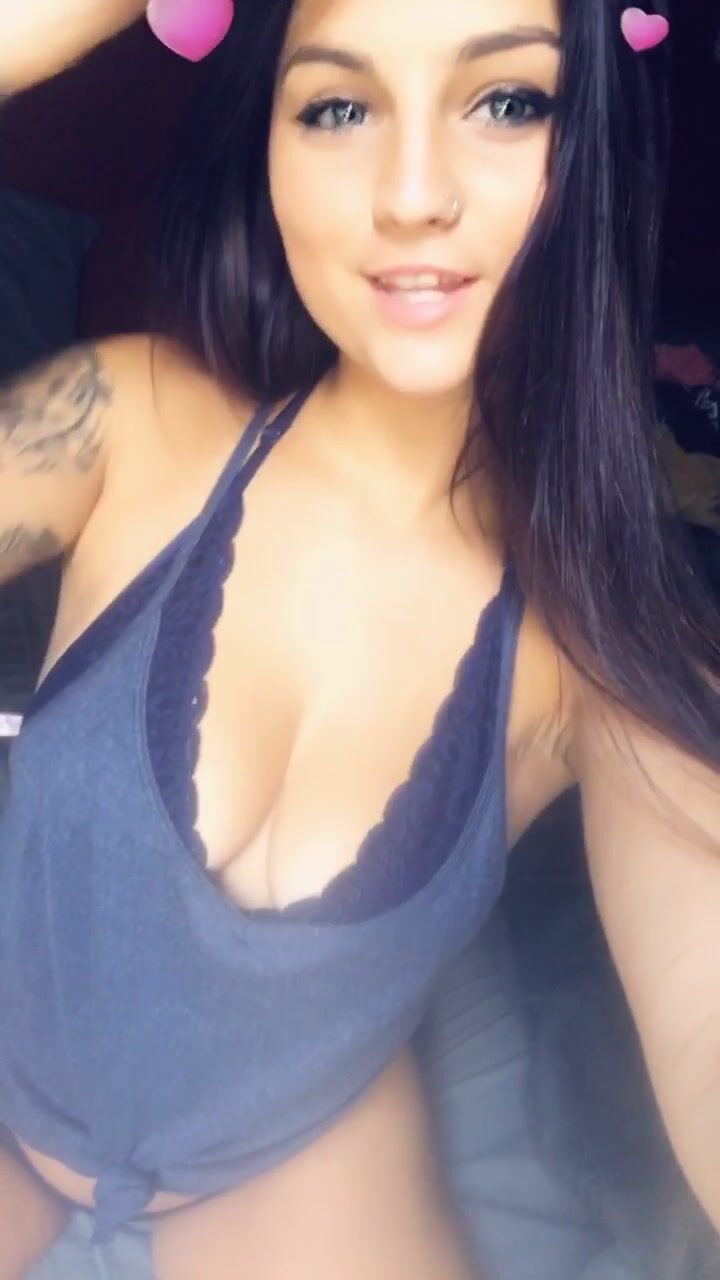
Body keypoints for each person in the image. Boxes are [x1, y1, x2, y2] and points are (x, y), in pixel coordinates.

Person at [0, 0, 718, 1276]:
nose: (411, 195)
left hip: (293, 1172)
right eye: (338, 106)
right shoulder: (126, 416)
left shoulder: (604, 649)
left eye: (508, 102)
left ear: (594, 148)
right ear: (267, 151)